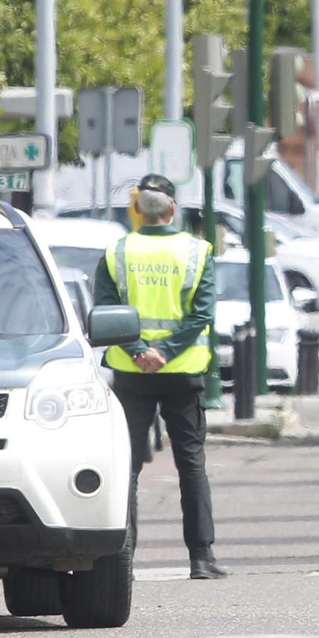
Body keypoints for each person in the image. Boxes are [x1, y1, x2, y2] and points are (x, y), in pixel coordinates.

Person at [94, 174, 228, 579]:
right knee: (190, 462)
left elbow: (105, 310)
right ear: (173, 209)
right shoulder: (197, 251)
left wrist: (138, 351)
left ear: (137, 210)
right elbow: (201, 315)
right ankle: (201, 558)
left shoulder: (117, 252)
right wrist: (166, 352)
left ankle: (124, 560)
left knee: (128, 466)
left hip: (131, 374)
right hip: (182, 372)